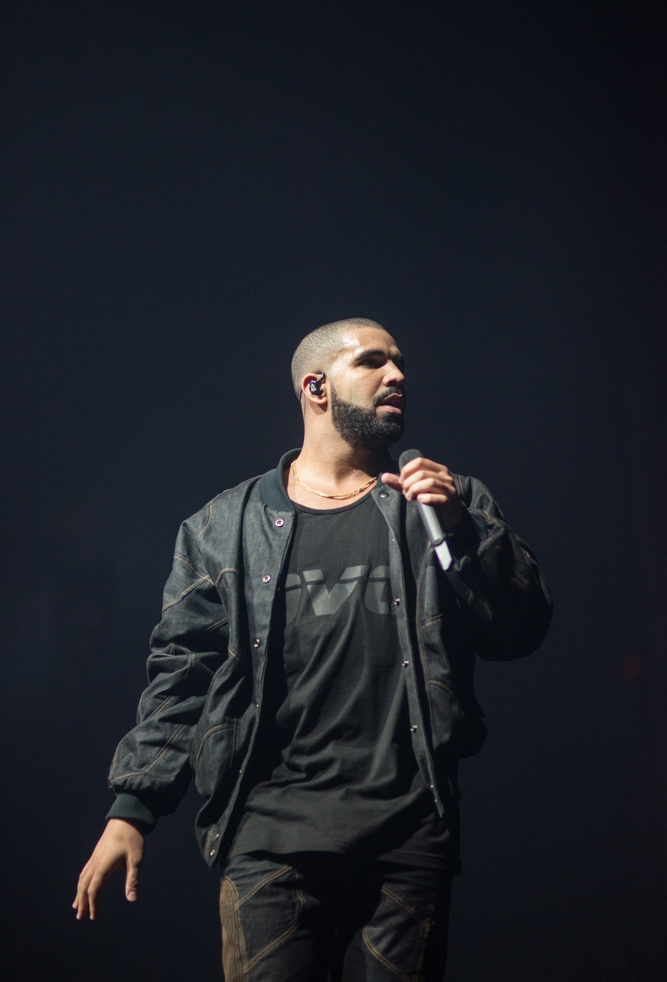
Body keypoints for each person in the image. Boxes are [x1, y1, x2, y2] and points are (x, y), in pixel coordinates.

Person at [74, 318, 553, 980]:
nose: (397, 376)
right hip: (269, 840)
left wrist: (460, 529)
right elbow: (183, 676)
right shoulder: (223, 528)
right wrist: (133, 809)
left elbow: (520, 629)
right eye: (372, 362)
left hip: (407, 839)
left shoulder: (444, 503)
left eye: (400, 363)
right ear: (316, 387)